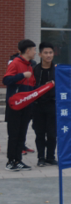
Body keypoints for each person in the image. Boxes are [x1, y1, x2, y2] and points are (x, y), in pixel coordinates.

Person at [4, 40, 37, 171]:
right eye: (34, 50)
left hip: (27, 105)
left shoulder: (30, 65)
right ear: (27, 51)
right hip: (15, 105)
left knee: (22, 134)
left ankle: (18, 160)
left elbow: (32, 86)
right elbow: (6, 80)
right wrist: (22, 75)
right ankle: (10, 161)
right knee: (14, 134)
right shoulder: (15, 63)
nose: (35, 52)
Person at [31, 43, 57, 167]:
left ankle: (50, 157)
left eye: (50, 52)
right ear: (40, 54)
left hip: (52, 104)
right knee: (39, 133)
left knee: (52, 134)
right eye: (46, 53)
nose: (48, 55)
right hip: (38, 105)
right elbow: (31, 87)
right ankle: (41, 157)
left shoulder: (57, 70)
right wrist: (43, 87)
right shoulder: (34, 69)